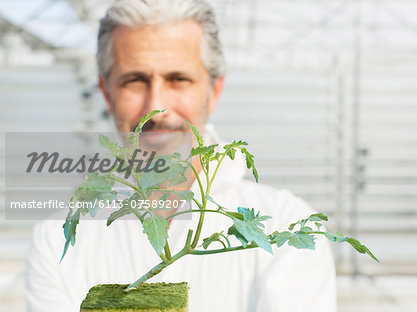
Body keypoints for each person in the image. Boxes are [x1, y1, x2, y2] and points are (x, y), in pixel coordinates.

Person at [25, 0, 337, 311]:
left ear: (214, 91)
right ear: (107, 93)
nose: (155, 107)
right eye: (134, 80)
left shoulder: (287, 226)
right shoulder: (55, 242)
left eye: (178, 79)